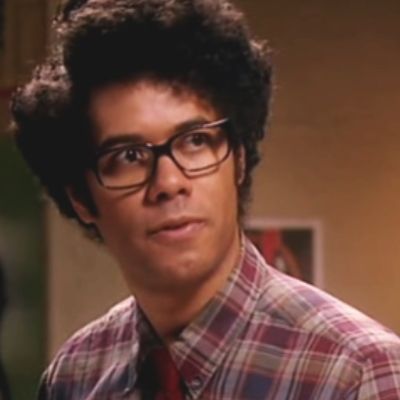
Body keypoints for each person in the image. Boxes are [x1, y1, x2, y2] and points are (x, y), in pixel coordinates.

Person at [10, 0, 400, 398]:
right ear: (80, 198)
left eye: (196, 141)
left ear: (239, 159)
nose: (169, 182)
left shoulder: (358, 373)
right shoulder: (76, 374)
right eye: (129, 156)